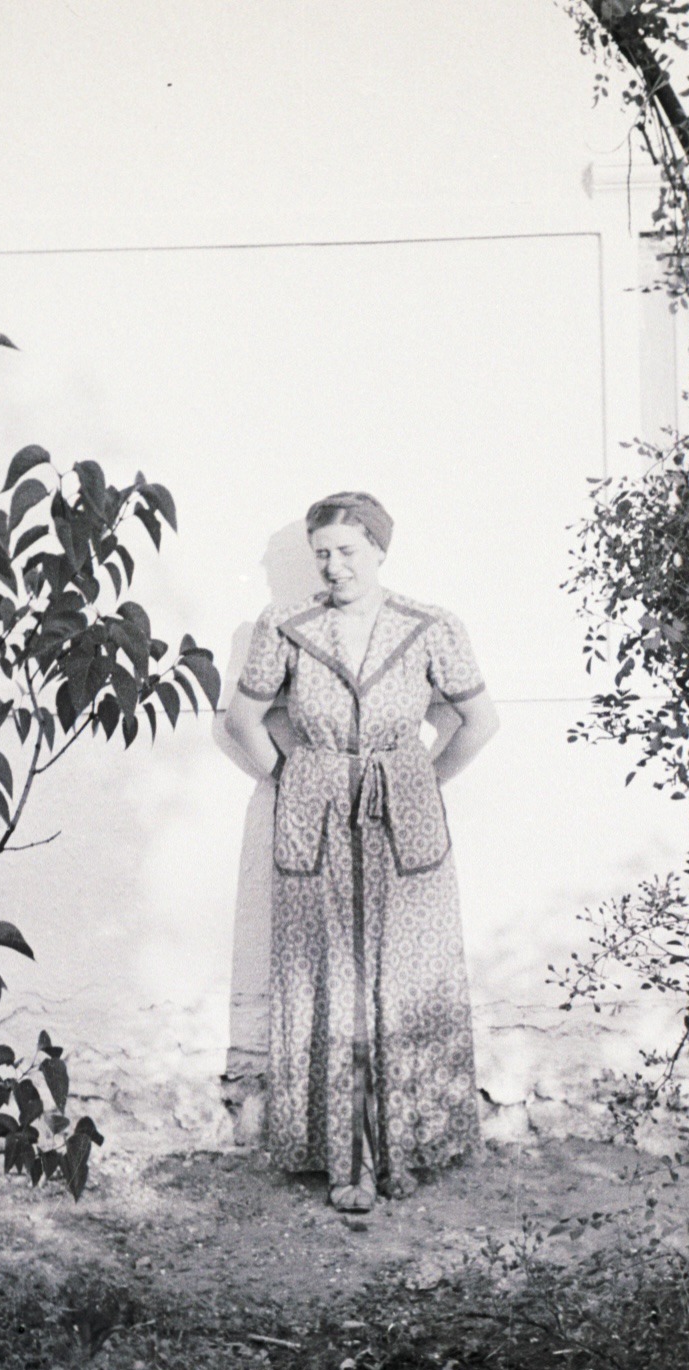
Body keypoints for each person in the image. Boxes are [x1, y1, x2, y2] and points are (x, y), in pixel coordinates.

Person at [225, 492, 499, 1213]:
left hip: (400, 816)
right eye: (322, 552)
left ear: (379, 550)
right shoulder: (283, 626)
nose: (334, 565)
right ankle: (340, 1157)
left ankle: (407, 1147)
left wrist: (421, 781)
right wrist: (289, 777)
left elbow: (479, 719)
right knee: (326, 981)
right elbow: (243, 719)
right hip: (315, 817)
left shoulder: (430, 625)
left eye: (348, 550)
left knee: (405, 976)